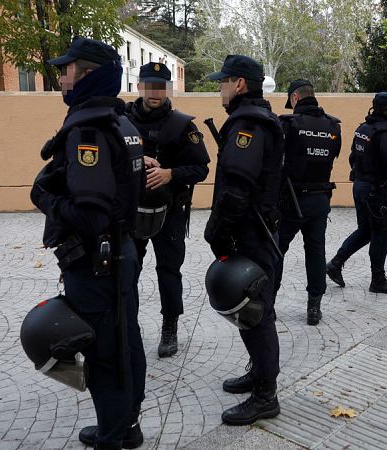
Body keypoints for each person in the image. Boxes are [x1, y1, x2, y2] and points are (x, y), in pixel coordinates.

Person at [30, 37, 146, 450]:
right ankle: (126, 425)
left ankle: (114, 435)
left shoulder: (88, 130)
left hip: (98, 262)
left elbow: (92, 215)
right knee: (125, 340)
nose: (61, 76)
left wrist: (45, 198)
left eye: (67, 69)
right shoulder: (122, 122)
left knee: (106, 351)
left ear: (88, 75)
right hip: (120, 254)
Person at [203, 55, 284, 425]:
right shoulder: (257, 118)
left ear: (239, 84)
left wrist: (216, 231)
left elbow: (237, 188)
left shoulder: (248, 124)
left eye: (223, 82)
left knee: (257, 313)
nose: (219, 88)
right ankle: (258, 374)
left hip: (252, 232)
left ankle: (265, 395)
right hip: (256, 229)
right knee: (250, 311)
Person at [125, 62, 210, 358]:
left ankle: (170, 328)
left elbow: (201, 168)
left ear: (168, 89)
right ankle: (126, 327)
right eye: (149, 86)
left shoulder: (183, 125)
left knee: (169, 271)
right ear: (139, 87)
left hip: (170, 212)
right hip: (129, 211)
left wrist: (170, 173)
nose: (155, 92)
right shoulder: (121, 121)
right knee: (127, 271)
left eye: (161, 87)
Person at [326, 92, 387, 295]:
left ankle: (335, 264)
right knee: (381, 233)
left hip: (360, 186)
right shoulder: (385, 133)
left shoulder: (363, 129)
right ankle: (378, 280)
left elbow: (353, 158)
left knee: (365, 230)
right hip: (376, 191)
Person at [274, 79, 341, 325]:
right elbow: (332, 157)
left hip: (290, 201)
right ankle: (314, 307)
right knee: (315, 252)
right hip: (320, 199)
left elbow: (276, 163)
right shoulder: (334, 126)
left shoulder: (288, 124)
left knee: (276, 251)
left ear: (294, 98)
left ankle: (268, 303)